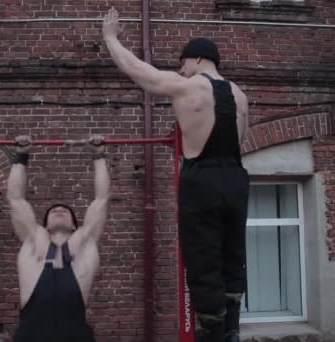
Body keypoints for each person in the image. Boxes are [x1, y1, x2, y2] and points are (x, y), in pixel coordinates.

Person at [102, 8, 250, 342]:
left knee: (203, 254)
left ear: (197, 59)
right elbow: (240, 139)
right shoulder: (241, 95)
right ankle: (232, 330)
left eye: (182, 62)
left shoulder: (188, 87)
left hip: (203, 180)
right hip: (237, 178)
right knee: (233, 252)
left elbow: (142, 73)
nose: (180, 69)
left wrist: (111, 38)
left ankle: (212, 330)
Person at [7, 135, 110, 342]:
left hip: (76, 335)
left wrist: (98, 156)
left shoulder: (85, 243)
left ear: (74, 225)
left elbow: (101, 199)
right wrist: (21, 157)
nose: (59, 210)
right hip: (31, 335)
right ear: (44, 225)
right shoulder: (33, 241)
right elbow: (16, 198)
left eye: (65, 210)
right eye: (54, 211)